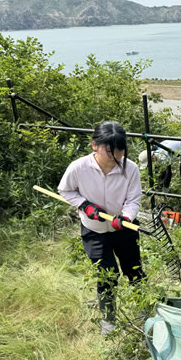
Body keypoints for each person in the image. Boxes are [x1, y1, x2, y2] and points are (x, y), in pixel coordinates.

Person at [58, 121, 144, 335]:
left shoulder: (130, 168)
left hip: (123, 228)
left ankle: (145, 311)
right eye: (110, 151)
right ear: (95, 145)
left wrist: (125, 217)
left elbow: (133, 200)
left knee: (134, 269)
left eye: (120, 150)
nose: (116, 157)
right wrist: (85, 205)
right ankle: (109, 323)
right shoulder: (79, 168)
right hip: (94, 230)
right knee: (107, 274)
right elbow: (65, 190)